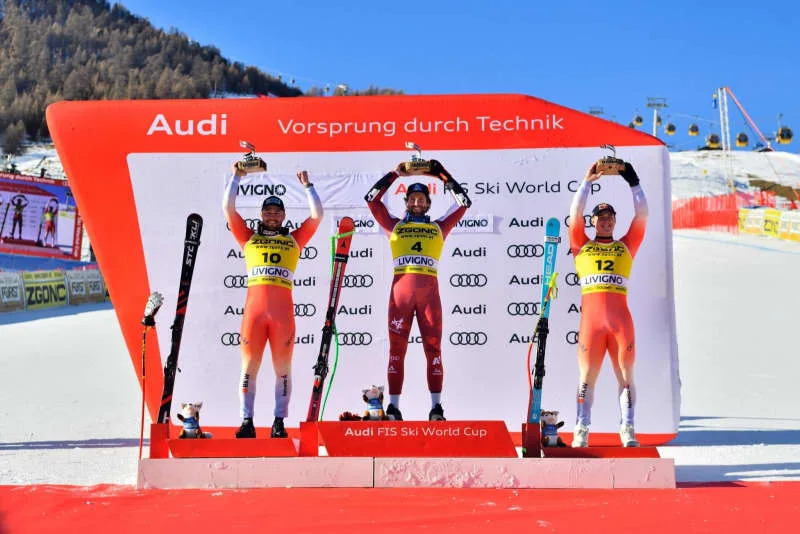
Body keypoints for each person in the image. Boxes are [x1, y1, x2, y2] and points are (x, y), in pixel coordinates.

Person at [365, 160, 471, 421]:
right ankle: (393, 407)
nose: (416, 203)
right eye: (412, 199)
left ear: (428, 203)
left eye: (421, 199)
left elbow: (464, 203)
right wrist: (395, 174)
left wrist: (442, 174)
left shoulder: (439, 227)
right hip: (400, 297)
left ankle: (436, 408)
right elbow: (371, 199)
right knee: (396, 351)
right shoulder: (394, 225)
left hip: (429, 298)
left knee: (433, 351)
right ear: (406, 202)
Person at [223, 165, 323, 438]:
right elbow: (228, 209)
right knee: (249, 368)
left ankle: (279, 422)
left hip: (282, 315)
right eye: (268, 211)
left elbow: (317, 216)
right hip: (254, 314)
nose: (272, 216)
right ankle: (247, 421)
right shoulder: (248, 238)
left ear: (283, 216)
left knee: (283, 370)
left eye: (277, 212)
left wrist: (308, 186)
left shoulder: (294, 240)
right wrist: (237, 177)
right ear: (261, 214)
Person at [568, 161, 648, 447]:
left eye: (609, 217)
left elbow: (642, 214)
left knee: (626, 376)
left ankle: (628, 428)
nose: (605, 221)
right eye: (600, 217)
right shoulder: (581, 244)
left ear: (615, 221)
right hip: (592, 324)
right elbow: (574, 214)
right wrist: (586, 183)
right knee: (586, 379)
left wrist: (633, 182)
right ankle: (581, 429)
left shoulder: (627, 245)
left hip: (620, 322)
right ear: (593, 222)